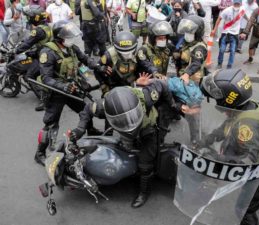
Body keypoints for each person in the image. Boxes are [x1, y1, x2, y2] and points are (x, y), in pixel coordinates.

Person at [69, 76, 200, 208]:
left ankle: (144, 192)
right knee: (124, 148)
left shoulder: (147, 96)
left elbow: (161, 84)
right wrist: (80, 129)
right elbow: (87, 109)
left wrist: (172, 104)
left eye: (130, 116)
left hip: (148, 126)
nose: (129, 122)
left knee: (146, 162)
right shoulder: (103, 106)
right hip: (125, 133)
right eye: (122, 119)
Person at [200, 68, 259, 225]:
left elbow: (247, 161)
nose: (214, 101)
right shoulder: (247, 107)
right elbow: (226, 127)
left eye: (216, 98)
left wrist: (217, 158)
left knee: (243, 208)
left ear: (228, 100)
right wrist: (207, 139)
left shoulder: (247, 124)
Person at [34, 20, 109, 166]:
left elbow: (85, 59)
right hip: (55, 92)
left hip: (71, 88)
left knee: (86, 108)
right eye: (69, 37)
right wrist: (62, 87)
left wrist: (98, 67)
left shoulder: (71, 48)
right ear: (60, 38)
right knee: (50, 123)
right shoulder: (48, 52)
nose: (72, 39)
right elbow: (46, 78)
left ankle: (91, 131)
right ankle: (40, 153)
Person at [8, 5, 52, 111]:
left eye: (30, 17)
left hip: (43, 57)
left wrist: (15, 50)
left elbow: (28, 43)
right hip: (47, 53)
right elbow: (30, 40)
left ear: (35, 18)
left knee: (29, 75)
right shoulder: (46, 26)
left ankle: (44, 99)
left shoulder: (38, 31)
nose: (29, 18)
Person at [173, 14, 207, 146]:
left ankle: (196, 139)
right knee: (180, 103)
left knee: (193, 113)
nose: (187, 34)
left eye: (190, 31)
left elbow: (196, 63)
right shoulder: (187, 43)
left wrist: (187, 73)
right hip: (183, 81)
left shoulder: (199, 47)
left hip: (192, 82)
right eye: (186, 31)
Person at [211, 0, 246, 69]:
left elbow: (245, 16)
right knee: (222, 49)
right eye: (235, 4)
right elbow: (219, 19)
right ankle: (219, 63)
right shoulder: (227, 10)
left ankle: (229, 65)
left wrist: (250, 21)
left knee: (233, 51)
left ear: (240, 4)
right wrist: (214, 29)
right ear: (233, 3)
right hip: (226, 33)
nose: (236, 5)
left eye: (238, 4)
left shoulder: (242, 9)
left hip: (235, 34)